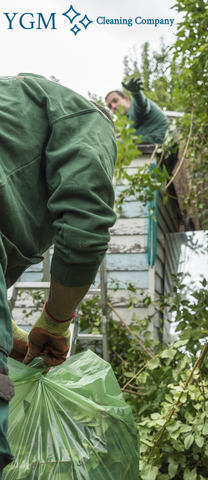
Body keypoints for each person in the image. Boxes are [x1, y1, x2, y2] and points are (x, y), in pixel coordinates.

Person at [0, 73, 117, 475]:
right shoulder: (89, 119)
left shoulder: (15, 106)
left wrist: (9, 338)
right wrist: (55, 319)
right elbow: (85, 232)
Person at [105, 78, 169, 145]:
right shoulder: (127, 122)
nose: (113, 106)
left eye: (115, 101)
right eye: (110, 106)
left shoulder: (134, 107)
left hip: (162, 143)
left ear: (126, 99)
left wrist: (135, 93)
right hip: (149, 146)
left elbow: (142, 105)